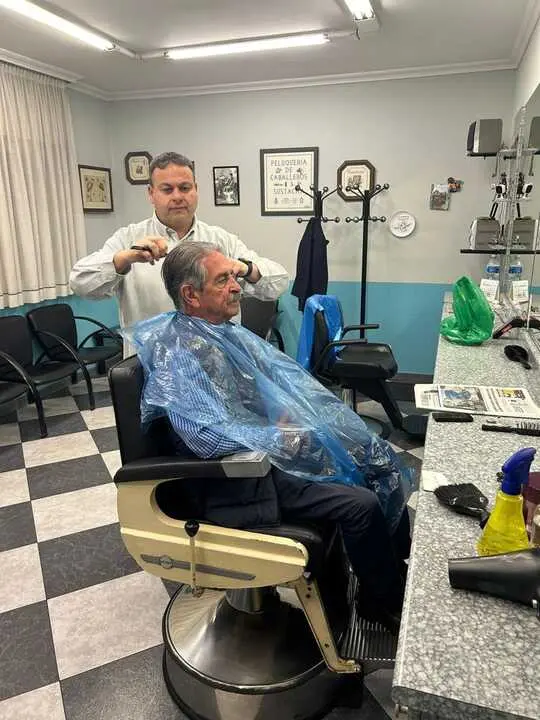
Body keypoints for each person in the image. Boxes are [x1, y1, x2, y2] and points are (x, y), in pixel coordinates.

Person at [126, 242, 411, 633]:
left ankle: (390, 575)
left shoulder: (222, 334)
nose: (236, 287)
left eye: (234, 277)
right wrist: (279, 435)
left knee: (374, 459)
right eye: (223, 280)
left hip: (264, 457)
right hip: (235, 481)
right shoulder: (180, 354)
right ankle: (382, 604)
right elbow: (205, 439)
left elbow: (265, 392)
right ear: (191, 295)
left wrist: (291, 415)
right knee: (360, 503)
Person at [70, 151, 289, 349]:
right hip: (153, 367)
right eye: (167, 189)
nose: (177, 196)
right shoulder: (128, 239)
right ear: (151, 193)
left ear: (196, 190)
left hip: (216, 362)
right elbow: (80, 283)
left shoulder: (221, 241)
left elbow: (278, 284)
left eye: (185, 188)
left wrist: (246, 269)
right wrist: (124, 259)